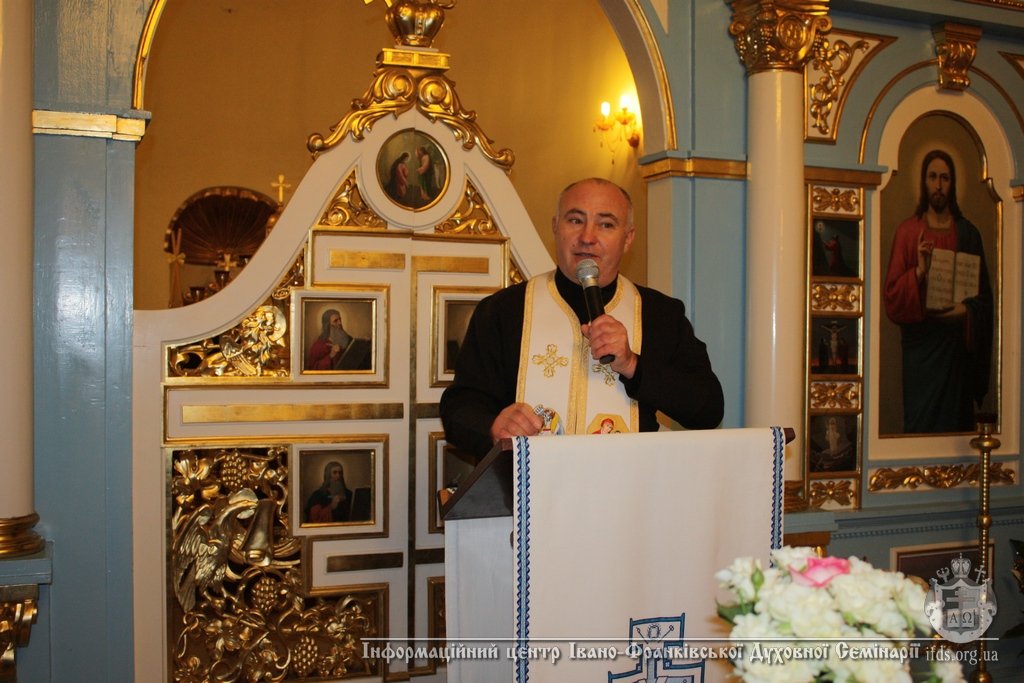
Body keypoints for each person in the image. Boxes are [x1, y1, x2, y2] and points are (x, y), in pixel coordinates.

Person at [439, 177, 724, 458]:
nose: (587, 237)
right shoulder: (502, 310)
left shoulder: (661, 314)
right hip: (529, 485)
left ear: (627, 238)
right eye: (575, 220)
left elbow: (708, 410)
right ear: (555, 227)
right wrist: (492, 427)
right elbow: (459, 408)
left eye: (606, 224)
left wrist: (632, 365)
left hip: (628, 484)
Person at [883, 149, 993, 433]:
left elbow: (984, 300)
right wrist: (919, 272)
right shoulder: (908, 233)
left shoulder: (968, 234)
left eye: (945, 178)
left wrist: (966, 311)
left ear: (952, 183)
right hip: (921, 355)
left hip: (955, 354)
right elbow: (892, 297)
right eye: (933, 177)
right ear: (924, 182)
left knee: (955, 426)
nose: (939, 185)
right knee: (920, 428)